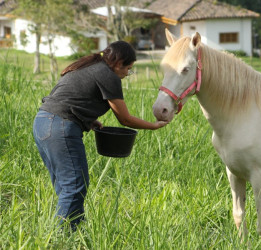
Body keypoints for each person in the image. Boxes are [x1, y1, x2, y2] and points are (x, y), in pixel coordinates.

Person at [32, 41, 167, 230]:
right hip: (60, 127)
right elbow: (125, 119)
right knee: (75, 185)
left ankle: (74, 230)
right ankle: (61, 237)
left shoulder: (88, 66)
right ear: (119, 63)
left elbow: (70, 97)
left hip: (43, 122)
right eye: (129, 69)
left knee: (66, 186)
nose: (128, 73)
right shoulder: (108, 75)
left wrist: (87, 119)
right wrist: (153, 126)